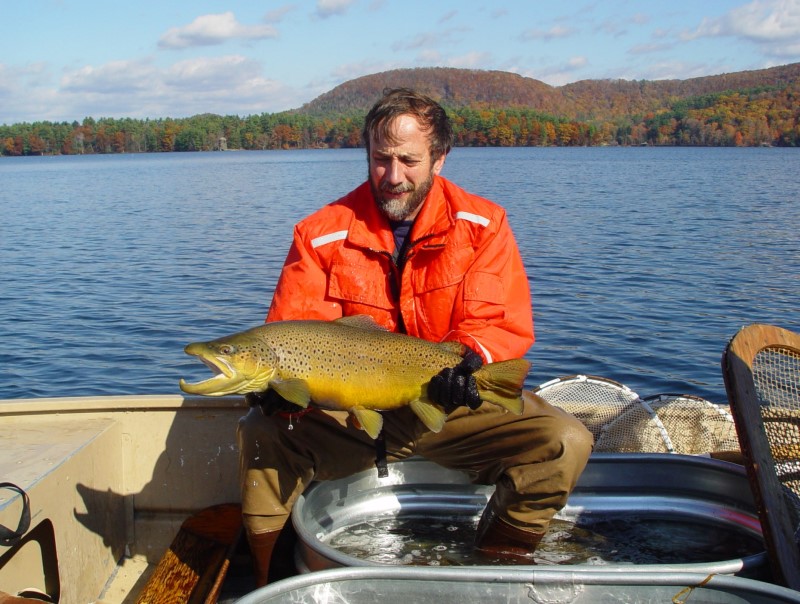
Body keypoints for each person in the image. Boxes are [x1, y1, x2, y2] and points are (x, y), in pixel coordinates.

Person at [238, 88, 593, 585]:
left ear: (439, 159)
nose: (393, 175)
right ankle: (271, 584)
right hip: (352, 417)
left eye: (409, 159)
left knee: (565, 441)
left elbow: (500, 321)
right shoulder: (319, 234)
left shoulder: (483, 224)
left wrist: (471, 361)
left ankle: (497, 563)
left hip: (449, 406)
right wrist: (282, 398)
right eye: (381, 159)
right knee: (262, 432)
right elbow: (294, 337)